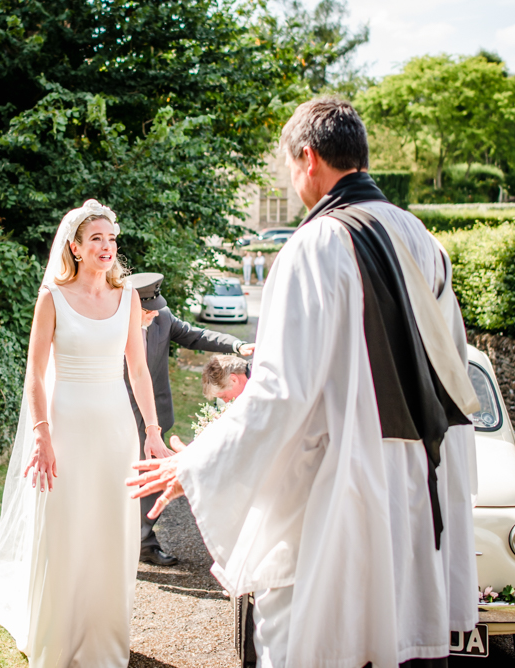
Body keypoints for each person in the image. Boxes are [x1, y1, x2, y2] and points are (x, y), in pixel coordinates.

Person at [128, 98, 481, 668]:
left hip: (341, 487)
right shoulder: (424, 240)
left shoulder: (315, 245)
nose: (293, 183)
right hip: (422, 478)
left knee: (320, 641)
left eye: (291, 169)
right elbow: (452, 375)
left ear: (308, 157)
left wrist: (193, 465)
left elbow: (279, 392)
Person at [0, 200, 168, 668]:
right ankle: (57, 639)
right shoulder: (52, 299)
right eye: (96, 238)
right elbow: (35, 375)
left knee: (111, 531)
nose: (107, 246)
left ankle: (105, 641)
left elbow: (138, 370)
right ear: (75, 248)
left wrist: (152, 430)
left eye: (112, 238)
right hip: (66, 427)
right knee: (67, 529)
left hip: (116, 429)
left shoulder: (129, 299)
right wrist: (41, 435)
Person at [126, 272, 255, 566]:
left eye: (154, 308)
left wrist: (236, 346)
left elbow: (197, 336)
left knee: (152, 481)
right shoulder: (111, 322)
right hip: (118, 416)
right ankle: (113, 544)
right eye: (146, 310)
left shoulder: (163, 317)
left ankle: (144, 543)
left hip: (156, 415)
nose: (152, 314)